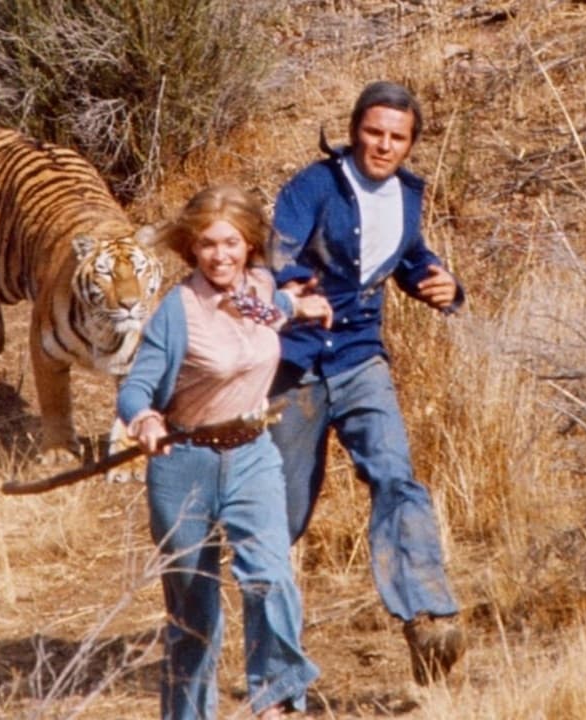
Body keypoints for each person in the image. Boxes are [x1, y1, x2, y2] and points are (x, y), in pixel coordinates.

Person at [266, 81, 467, 686]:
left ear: (410, 144)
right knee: (282, 513)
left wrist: (442, 284)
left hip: (359, 359)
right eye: (373, 132)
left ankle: (427, 618)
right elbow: (279, 253)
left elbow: (408, 257)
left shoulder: (408, 194)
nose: (383, 145)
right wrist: (295, 288)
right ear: (354, 131)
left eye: (396, 137)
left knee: (395, 475)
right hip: (296, 365)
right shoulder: (313, 185)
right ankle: (270, 658)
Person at [117, 185, 330, 719]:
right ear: (192, 247)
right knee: (194, 614)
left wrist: (299, 305)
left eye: (231, 243)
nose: (220, 256)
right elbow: (136, 386)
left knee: (270, 578)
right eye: (208, 244)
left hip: (254, 455)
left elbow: (265, 311)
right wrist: (144, 418)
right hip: (185, 463)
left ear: (249, 243)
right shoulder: (178, 310)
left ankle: (276, 698)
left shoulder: (259, 286)